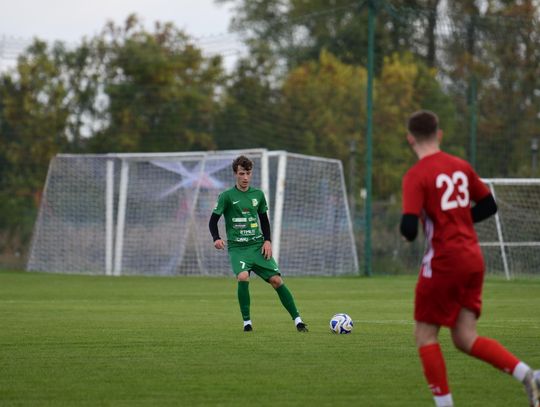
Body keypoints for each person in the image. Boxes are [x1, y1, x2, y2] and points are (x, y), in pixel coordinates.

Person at [400, 110, 539, 407]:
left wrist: (412, 233)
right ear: (439, 134)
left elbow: (409, 228)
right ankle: (529, 376)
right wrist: (460, 221)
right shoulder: (460, 167)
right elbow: (489, 205)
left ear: (410, 138)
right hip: (473, 258)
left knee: (425, 335)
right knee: (465, 337)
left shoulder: (416, 175)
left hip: (444, 261)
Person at [209, 155, 308, 333]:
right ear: (235, 174)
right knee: (243, 277)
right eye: (241, 173)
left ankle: (298, 321)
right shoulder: (226, 196)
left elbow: (264, 220)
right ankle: (247, 323)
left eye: (248, 173)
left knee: (277, 280)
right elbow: (213, 221)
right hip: (238, 248)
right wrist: (216, 238)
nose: (245, 177)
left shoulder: (258, 195)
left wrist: (267, 241)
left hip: (257, 246)